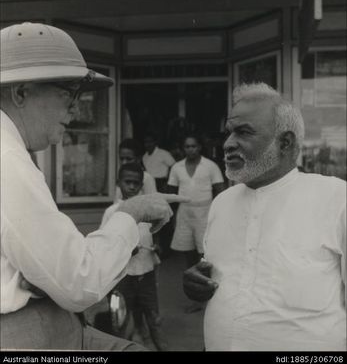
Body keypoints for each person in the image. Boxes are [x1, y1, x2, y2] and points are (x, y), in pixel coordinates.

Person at [0, 22, 188, 350]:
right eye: (67, 94)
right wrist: (131, 212)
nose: (76, 108)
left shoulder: (13, 149)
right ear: (20, 93)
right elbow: (78, 282)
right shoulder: (7, 158)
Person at [183, 83, 346, 351]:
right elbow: (219, 275)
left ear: (286, 142)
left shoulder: (337, 199)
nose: (228, 144)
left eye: (243, 132)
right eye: (228, 133)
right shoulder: (222, 203)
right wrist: (196, 283)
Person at [102, 163, 169, 351]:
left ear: (141, 185)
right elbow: (103, 244)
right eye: (127, 182)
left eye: (136, 183)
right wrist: (124, 250)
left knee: (154, 318)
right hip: (122, 277)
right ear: (118, 183)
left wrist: (157, 246)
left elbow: (155, 232)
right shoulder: (112, 212)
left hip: (146, 273)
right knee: (120, 321)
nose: (131, 187)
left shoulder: (149, 210)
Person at [167, 135, 225, 313]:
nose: (190, 149)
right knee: (188, 255)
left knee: (206, 255)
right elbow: (170, 192)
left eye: (193, 146)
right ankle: (196, 297)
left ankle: (211, 295)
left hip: (204, 213)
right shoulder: (177, 168)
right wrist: (170, 215)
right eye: (187, 146)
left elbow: (220, 191)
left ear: (199, 147)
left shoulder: (210, 166)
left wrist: (217, 215)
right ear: (183, 149)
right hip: (185, 212)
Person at [114, 138, 157, 202]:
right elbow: (117, 200)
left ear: (138, 159)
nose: (124, 162)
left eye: (129, 159)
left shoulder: (147, 178)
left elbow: (153, 203)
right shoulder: (122, 175)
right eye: (121, 159)